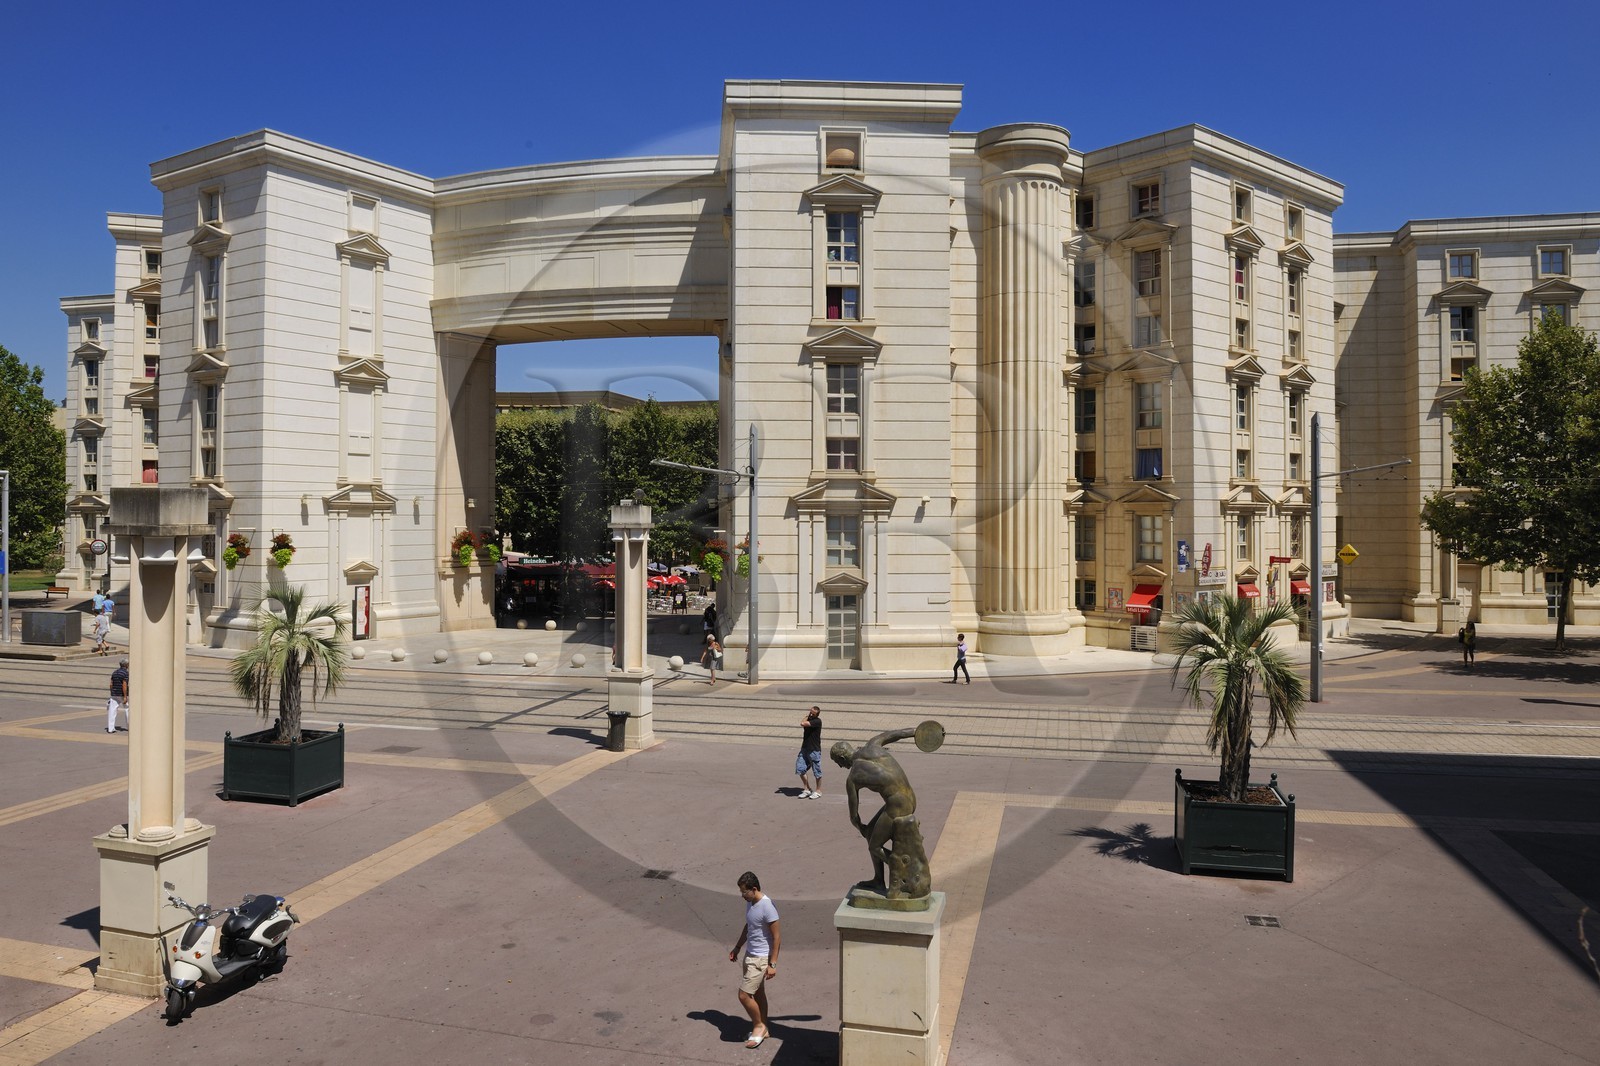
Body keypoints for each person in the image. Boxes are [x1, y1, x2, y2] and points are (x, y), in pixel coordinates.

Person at [830, 727, 931, 899]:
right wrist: (920, 731)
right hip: (910, 798)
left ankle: (901, 867)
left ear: (841, 758)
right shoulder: (873, 745)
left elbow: (854, 816)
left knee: (874, 846)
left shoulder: (853, 777)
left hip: (898, 805)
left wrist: (860, 827)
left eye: (839, 763)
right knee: (872, 832)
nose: (841, 766)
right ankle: (878, 879)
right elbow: (895, 734)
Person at [728, 871, 780, 1050]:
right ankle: (763, 1028)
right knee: (758, 994)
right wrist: (737, 947)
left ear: (754, 889)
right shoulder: (751, 903)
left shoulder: (767, 907)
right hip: (749, 955)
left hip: (760, 959)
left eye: (744, 892)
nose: (742, 896)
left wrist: (772, 964)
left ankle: (758, 1026)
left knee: (744, 995)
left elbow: (777, 937)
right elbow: (749, 926)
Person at [795, 706, 824, 798]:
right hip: (805, 748)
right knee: (800, 768)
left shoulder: (817, 721)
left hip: (814, 750)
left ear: (817, 715)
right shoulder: (809, 718)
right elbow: (803, 722)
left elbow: (802, 723)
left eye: (813, 713)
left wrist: (807, 717)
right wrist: (807, 715)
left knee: (817, 771)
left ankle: (818, 791)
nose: (811, 714)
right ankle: (807, 789)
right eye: (810, 712)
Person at [107, 657, 130, 733]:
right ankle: (129, 726)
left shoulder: (114, 672)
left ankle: (110, 728)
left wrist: (112, 692)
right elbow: (124, 685)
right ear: (126, 665)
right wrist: (125, 696)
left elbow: (111, 684)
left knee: (112, 711)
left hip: (114, 694)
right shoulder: (125, 673)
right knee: (127, 709)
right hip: (121, 694)